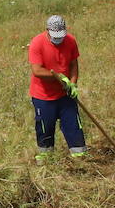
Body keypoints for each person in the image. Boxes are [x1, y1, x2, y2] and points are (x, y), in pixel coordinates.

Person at [28, 14, 86, 161]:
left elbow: (73, 64)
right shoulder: (37, 43)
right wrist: (60, 77)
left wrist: (72, 82)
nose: (59, 40)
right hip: (43, 96)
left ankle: (80, 159)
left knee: (73, 125)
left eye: (61, 36)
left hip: (65, 94)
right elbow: (37, 71)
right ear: (47, 30)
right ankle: (46, 161)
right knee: (45, 128)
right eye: (55, 36)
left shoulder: (71, 41)